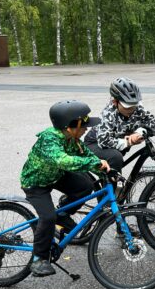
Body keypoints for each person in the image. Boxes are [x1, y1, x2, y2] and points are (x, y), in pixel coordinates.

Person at [21, 100, 110, 277]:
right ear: (69, 126)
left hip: (56, 176)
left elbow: (86, 155)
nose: (86, 129)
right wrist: (93, 163)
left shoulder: (73, 139)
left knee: (85, 186)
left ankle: (62, 214)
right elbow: (62, 160)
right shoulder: (49, 139)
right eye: (83, 125)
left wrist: (104, 169)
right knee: (47, 217)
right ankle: (38, 259)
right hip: (36, 183)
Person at [85, 77, 155, 173]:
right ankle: (112, 182)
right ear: (115, 102)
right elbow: (104, 141)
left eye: (133, 106)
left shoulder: (137, 108)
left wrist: (139, 132)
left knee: (117, 157)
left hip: (117, 143)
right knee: (115, 157)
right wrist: (128, 142)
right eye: (127, 107)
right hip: (95, 143)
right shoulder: (109, 113)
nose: (131, 110)